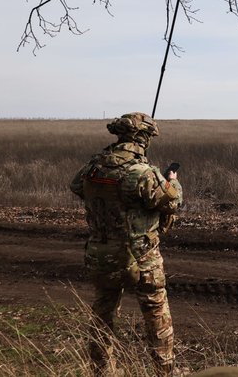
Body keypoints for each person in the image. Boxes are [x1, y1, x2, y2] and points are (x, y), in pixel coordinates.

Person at [70, 112, 182, 376]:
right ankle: (164, 372)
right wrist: (172, 181)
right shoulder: (142, 172)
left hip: (101, 254)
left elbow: (77, 187)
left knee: (103, 314)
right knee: (156, 314)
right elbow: (172, 201)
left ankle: (102, 371)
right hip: (142, 256)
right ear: (142, 139)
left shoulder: (93, 167)